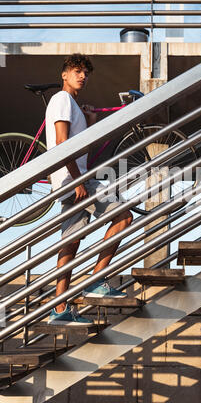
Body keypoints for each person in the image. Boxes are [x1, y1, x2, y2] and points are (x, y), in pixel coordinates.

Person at [45, 53, 133, 325]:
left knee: (71, 242)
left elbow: (80, 148)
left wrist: (91, 120)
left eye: (85, 72)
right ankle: (96, 281)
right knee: (123, 216)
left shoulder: (72, 104)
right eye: (76, 70)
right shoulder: (61, 100)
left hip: (68, 182)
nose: (82, 76)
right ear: (64, 74)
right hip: (75, 180)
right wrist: (79, 180)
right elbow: (62, 144)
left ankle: (59, 309)